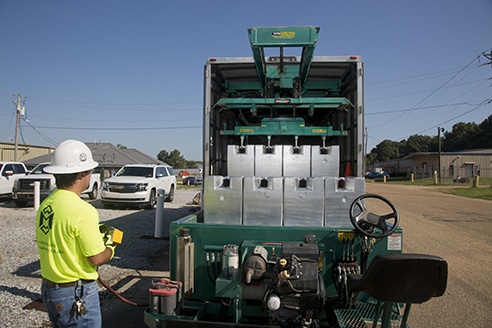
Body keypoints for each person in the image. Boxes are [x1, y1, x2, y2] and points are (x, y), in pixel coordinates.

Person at [36, 139, 115, 327]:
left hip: (50, 290)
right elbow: (95, 258)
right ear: (82, 174)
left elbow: (64, 237)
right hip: (76, 293)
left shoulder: (46, 205)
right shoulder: (83, 210)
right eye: (90, 171)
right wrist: (111, 247)